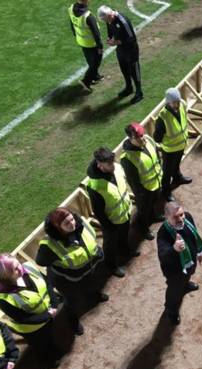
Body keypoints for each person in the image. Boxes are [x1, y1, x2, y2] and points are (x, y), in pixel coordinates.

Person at [36, 208, 108, 336]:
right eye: (67, 223)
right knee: (72, 302)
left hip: (89, 270)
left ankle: (94, 295)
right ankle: (73, 320)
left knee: (93, 284)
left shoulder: (82, 224)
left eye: (72, 219)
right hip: (67, 282)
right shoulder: (49, 246)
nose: (73, 224)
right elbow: (41, 261)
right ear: (58, 227)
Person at [0, 254, 63, 369]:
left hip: (47, 316)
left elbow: (47, 283)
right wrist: (48, 315)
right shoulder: (3, 299)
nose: (20, 268)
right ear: (6, 276)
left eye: (18, 264)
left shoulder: (28, 267)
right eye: (15, 269)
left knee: (50, 337)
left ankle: (54, 350)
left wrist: (54, 304)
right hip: (33, 329)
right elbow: (23, 318)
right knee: (41, 346)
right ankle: (48, 360)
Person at [87, 147, 139, 278]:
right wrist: (107, 225)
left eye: (112, 161)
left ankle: (125, 251)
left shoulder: (116, 167)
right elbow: (97, 210)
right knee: (110, 246)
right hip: (111, 221)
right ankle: (111, 267)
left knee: (124, 235)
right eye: (109, 164)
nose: (113, 165)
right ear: (99, 165)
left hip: (124, 213)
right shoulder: (95, 186)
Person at [157, 202, 202, 325]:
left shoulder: (188, 217)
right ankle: (171, 310)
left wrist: (199, 253)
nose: (180, 219)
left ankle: (185, 285)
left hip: (189, 262)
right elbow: (163, 256)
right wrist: (174, 249)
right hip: (175, 271)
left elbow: (194, 234)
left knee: (187, 276)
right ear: (167, 217)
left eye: (181, 214)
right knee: (174, 291)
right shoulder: (163, 233)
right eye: (175, 217)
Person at [122, 123, 163, 241]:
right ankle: (144, 228)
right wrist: (141, 193)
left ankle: (154, 216)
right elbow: (133, 180)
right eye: (140, 136)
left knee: (154, 203)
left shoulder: (148, 142)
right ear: (131, 138)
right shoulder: (127, 158)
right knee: (143, 211)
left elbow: (157, 158)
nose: (143, 138)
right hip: (144, 191)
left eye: (143, 134)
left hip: (156, 182)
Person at [97, 6, 144, 104]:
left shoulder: (123, 21)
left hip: (131, 50)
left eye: (106, 20)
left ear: (110, 15)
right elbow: (109, 27)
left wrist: (117, 42)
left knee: (134, 71)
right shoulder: (109, 19)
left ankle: (139, 92)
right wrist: (110, 38)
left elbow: (132, 38)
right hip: (121, 50)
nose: (107, 22)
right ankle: (129, 87)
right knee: (124, 69)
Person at [153, 88, 192, 202]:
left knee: (176, 165)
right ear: (168, 102)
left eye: (178, 101)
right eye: (174, 102)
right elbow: (157, 138)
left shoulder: (182, 105)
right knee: (167, 172)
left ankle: (178, 178)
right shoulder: (162, 117)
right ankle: (166, 191)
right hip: (170, 150)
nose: (177, 104)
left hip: (181, 145)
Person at [68, 0, 104, 93]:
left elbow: (72, 24)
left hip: (81, 41)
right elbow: (96, 33)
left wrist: (76, 36)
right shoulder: (88, 16)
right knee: (95, 63)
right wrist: (100, 46)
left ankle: (95, 77)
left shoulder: (71, 8)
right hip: (92, 43)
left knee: (89, 59)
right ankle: (86, 81)